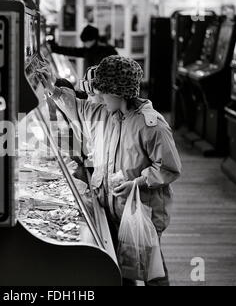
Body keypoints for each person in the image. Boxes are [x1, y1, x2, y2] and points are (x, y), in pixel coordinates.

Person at [38, 56, 182, 286]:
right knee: (123, 267)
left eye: (103, 92)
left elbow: (168, 167)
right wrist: (52, 89)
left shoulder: (150, 125)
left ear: (118, 92)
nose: (98, 97)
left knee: (151, 268)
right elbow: (77, 105)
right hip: (111, 208)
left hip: (141, 212)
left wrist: (138, 182)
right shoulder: (103, 113)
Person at [49, 25, 118, 73]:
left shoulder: (107, 51)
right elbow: (71, 51)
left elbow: (72, 51)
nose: (85, 44)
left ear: (93, 40)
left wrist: (53, 48)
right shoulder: (89, 50)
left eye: (86, 42)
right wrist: (53, 48)